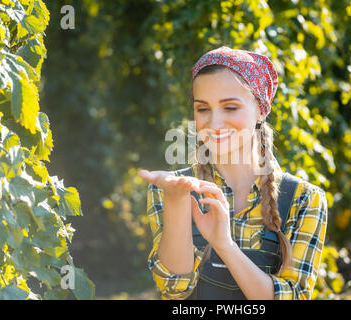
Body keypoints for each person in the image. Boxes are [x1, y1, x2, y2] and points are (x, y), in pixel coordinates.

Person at [139, 46, 328, 300]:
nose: (214, 123)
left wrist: (224, 245)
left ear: (261, 110)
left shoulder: (303, 199)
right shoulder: (173, 189)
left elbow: (293, 297)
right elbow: (174, 291)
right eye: (203, 108)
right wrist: (175, 201)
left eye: (230, 108)